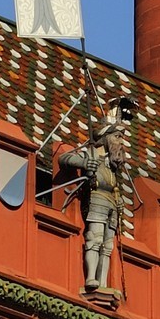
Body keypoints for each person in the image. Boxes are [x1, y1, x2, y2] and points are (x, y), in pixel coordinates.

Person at [57, 96, 133, 295]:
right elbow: (64, 158)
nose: (121, 142)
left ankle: (102, 282)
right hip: (97, 199)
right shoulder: (92, 155)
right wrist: (83, 164)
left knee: (108, 246)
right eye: (118, 137)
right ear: (106, 138)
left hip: (112, 203)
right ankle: (91, 277)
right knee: (95, 239)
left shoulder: (112, 166)